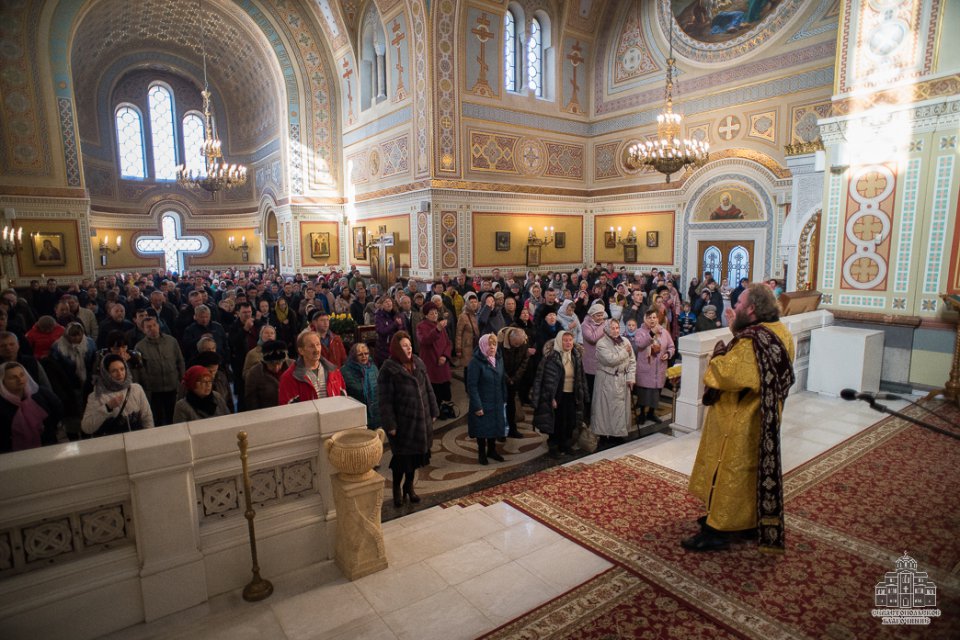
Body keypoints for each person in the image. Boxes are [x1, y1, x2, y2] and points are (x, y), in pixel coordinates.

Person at [684, 284, 795, 553]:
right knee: (747, 474)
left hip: (741, 420)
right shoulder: (780, 332)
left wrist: (718, 354)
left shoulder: (751, 343)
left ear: (752, 310)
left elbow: (722, 374)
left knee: (729, 471)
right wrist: (735, 330)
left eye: (740, 304)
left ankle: (717, 530)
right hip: (761, 416)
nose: (734, 307)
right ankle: (742, 520)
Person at [378, 332, 438, 507]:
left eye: (410, 345)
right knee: (402, 460)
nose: (409, 348)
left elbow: (428, 388)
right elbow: (385, 400)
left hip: (420, 419)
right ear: (397, 348)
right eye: (404, 346)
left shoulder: (418, 362)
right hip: (403, 423)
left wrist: (433, 410)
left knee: (416, 458)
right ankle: (397, 488)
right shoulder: (388, 369)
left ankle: (409, 487)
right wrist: (390, 424)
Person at [531, 330, 587, 458]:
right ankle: (553, 447)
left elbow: (581, 377)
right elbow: (544, 380)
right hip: (557, 396)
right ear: (559, 341)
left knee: (570, 422)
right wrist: (551, 398)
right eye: (565, 340)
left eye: (570, 340)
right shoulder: (551, 357)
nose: (568, 343)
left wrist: (583, 394)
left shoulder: (575, 356)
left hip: (572, 395)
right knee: (556, 423)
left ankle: (565, 445)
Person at [81, 354, 154, 436]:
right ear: (106, 373)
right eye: (114, 371)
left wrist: (149, 437)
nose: (120, 374)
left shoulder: (136, 389)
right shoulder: (97, 395)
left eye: (122, 369)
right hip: (112, 444)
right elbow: (86, 427)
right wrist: (107, 408)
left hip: (137, 440)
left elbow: (147, 417)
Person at [590, 319, 636, 448]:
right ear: (606, 329)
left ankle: (618, 434)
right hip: (607, 380)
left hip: (622, 379)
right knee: (606, 409)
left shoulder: (625, 341)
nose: (616, 331)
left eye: (617, 328)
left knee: (619, 409)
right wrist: (624, 352)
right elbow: (610, 360)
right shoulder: (601, 343)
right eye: (612, 328)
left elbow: (632, 361)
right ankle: (604, 435)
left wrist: (630, 378)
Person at [0, 361, 62, 453]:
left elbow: (57, 410)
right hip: (13, 454)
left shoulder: (41, 394)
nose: (19, 379)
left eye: (22, 375)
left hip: (47, 447)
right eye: (13, 377)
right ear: (2, 382)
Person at [466, 333, 508, 465]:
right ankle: (481, 453)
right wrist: (477, 406)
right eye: (489, 344)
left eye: (494, 344)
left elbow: (502, 380)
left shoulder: (499, 359)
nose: (492, 347)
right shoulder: (476, 362)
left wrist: (504, 399)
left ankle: (492, 450)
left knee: (494, 426)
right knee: (482, 429)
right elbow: (472, 386)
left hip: (497, 400)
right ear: (483, 345)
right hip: (482, 401)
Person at [136, 314, 185, 426]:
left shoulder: (171, 341)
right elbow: (140, 370)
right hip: (154, 390)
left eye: (154, 325)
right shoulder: (139, 347)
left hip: (172, 387)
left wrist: (182, 379)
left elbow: (180, 361)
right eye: (148, 327)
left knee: (173, 417)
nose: (152, 328)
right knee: (157, 419)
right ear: (143, 330)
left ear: (158, 326)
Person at [278, 329, 346, 404]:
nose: (316, 349)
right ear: (301, 351)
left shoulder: (334, 371)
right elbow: (288, 408)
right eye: (311, 346)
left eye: (318, 344)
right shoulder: (289, 377)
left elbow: (343, 399)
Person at [634, 309, 675, 426]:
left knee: (656, 393)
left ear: (658, 319)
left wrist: (668, 354)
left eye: (654, 317)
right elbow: (640, 344)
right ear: (645, 319)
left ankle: (651, 413)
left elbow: (671, 346)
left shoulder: (664, 332)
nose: (652, 320)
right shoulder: (640, 331)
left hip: (659, 368)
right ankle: (641, 413)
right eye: (649, 317)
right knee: (644, 393)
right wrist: (651, 333)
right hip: (646, 368)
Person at [416, 302, 455, 419]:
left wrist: (445, 356)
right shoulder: (421, 326)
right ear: (426, 315)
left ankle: (444, 408)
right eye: (431, 313)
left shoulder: (440, 326)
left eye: (436, 312)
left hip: (443, 363)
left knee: (445, 390)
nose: (434, 315)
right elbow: (424, 340)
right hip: (431, 363)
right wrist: (437, 329)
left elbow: (448, 343)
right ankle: (435, 412)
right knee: (434, 390)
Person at [497, 326, 529, 439]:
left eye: (519, 344)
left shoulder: (523, 342)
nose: (517, 346)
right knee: (500, 405)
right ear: (510, 339)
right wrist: (507, 378)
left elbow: (525, 360)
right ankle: (500, 431)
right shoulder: (499, 343)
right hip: (501, 378)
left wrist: (515, 378)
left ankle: (512, 429)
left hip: (514, 378)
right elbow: (497, 362)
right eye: (515, 344)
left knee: (511, 405)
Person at [340, 342, 381, 430]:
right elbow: (356, 389)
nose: (364, 356)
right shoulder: (346, 370)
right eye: (360, 354)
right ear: (354, 356)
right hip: (358, 412)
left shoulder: (373, 367)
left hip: (376, 411)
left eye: (366, 353)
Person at [243, 340, 289, 411]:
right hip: (267, 414)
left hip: (290, 411)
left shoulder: (292, 367)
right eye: (272, 364)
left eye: (279, 363)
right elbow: (251, 403)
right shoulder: (254, 373)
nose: (276, 368)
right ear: (265, 362)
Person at [374, 297, 404, 365]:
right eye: (386, 302)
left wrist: (400, 325)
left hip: (397, 345)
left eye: (389, 301)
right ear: (382, 305)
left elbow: (403, 330)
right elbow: (382, 331)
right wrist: (395, 324)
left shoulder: (397, 314)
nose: (388, 303)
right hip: (384, 348)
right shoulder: (379, 316)